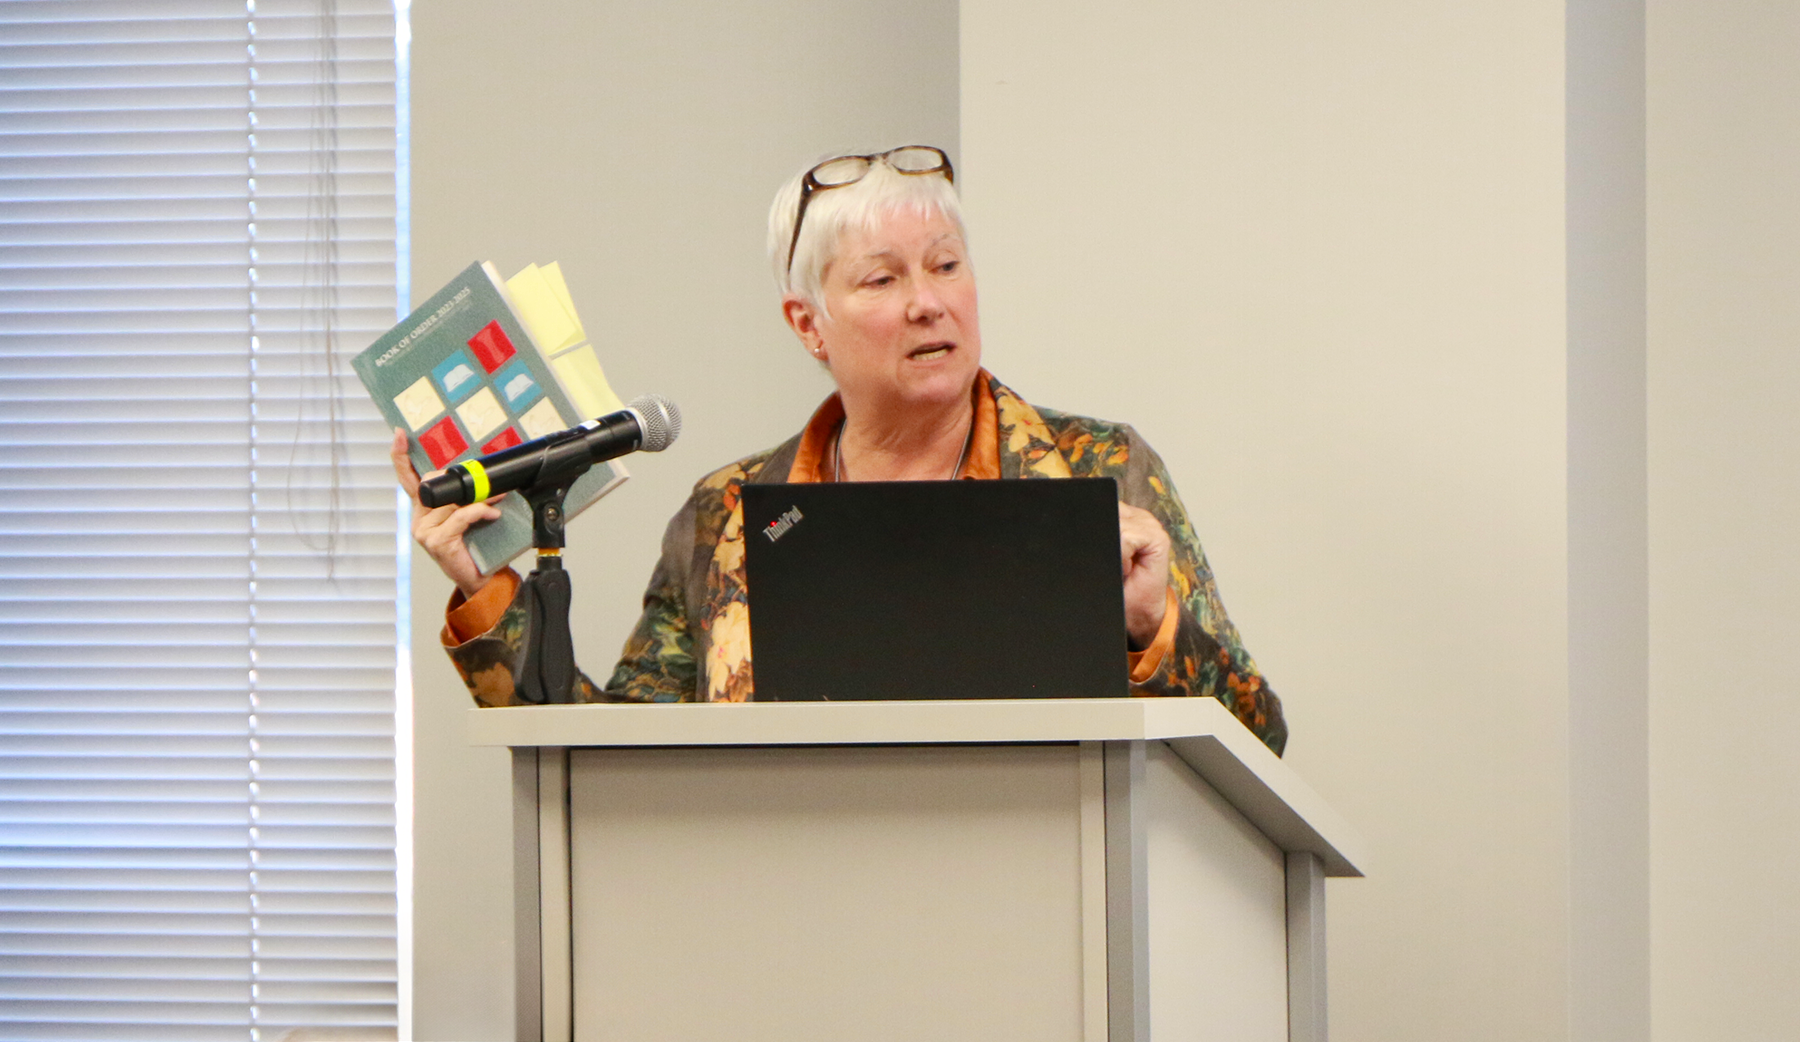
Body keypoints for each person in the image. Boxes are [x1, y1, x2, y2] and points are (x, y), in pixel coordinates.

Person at [392, 146, 1288, 754]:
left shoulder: (1098, 470)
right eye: (883, 278)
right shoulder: (728, 516)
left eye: (946, 264)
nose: (929, 301)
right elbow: (622, 763)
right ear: (808, 325)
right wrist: (487, 591)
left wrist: (1148, 627)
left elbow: (1257, 739)